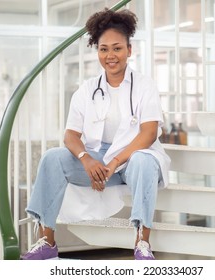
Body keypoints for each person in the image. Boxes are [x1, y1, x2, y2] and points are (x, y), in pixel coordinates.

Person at [22, 8, 170, 261]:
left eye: (117, 48)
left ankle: (142, 243)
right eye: (104, 49)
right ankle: (47, 241)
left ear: (129, 50)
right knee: (52, 158)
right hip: (99, 159)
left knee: (144, 160)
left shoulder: (144, 85)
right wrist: (86, 159)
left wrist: (113, 162)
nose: (110, 56)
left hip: (135, 158)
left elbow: (148, 133)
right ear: (97, 51)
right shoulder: (87, 89)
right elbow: (70, 135)